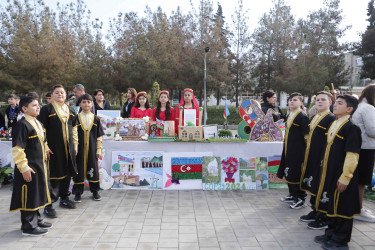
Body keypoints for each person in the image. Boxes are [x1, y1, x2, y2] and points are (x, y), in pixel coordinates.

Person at [314, 95, 361, 249]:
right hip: (330, 172)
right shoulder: (335, 123)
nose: (335, 105)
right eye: (336, 102)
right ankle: (330, 233)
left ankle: (340, 240)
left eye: (340, 103)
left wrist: (345, 177)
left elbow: (352, 155)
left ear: (349, 109)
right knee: (331, 204)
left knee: (342, 207)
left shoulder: (352, 127)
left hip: (342, 174)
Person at [10, 96, 52, 236]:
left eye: (38, 105)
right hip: (29, 168)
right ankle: (28, 227)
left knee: (36, 193)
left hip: (39, 166)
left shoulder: (37, 123)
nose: (38, 107)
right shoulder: (22, 125)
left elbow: (42, 141)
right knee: (28, 195)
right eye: (34, 105)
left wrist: (46, 149)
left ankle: (37, 219)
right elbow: (17, 149)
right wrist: (24, 167)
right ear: (24, 108)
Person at [38, 84, 78, 218]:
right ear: (52, 96)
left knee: (67, 174)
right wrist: (45, 147)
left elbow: (74, 128)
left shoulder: (71, 109)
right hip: (53, 149)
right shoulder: (46, 109)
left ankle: (64, 198)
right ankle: (49, 205)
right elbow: (40, 129)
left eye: (62, 92)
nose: (60, 94)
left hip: (68, 148)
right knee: (53, 176)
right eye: (57, 93)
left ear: (66, 95)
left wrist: (75, 145)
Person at [299, 91, 336, 229]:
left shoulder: (331, 118)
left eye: (323, 100)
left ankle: (323, 216)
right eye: (318, 100)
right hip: (311, 157)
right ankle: (315, 211)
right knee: (313, 185)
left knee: (321, 186)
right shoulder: (314, 116)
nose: (319, 102)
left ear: (330, 103)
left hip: (321, 159)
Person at [277, 92, 309, 209]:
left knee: (296, 174)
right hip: (288, 150)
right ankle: (293, 194)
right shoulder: (290, 115)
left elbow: (307, 137)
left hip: (298, 152)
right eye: (290, 100)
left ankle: (300, 198)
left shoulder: (302, 116)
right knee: (288, 171)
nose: (291, 102)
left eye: (295, 100)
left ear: (301, 103)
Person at [72, 94, 104, 202]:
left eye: (89, 102)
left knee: (93, 169)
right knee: (79, 170)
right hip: (79, 150)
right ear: (80, 104)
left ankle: (95, 191)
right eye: (84, 102)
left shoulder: (96, 119)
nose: (86, 104)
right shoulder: (76, 118)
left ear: (92, 104)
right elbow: (73, 134)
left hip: (92, 149)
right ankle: (77, 193)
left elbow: (99, 136)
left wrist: (98, 149)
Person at [352, 84, 375, 223]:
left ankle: (356, 208)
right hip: (366, 148)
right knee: (362, 181)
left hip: (359, 147)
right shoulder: (369, 108)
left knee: (359, 180)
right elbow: (372, 130)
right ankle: (358, 209)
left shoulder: (359, 106)